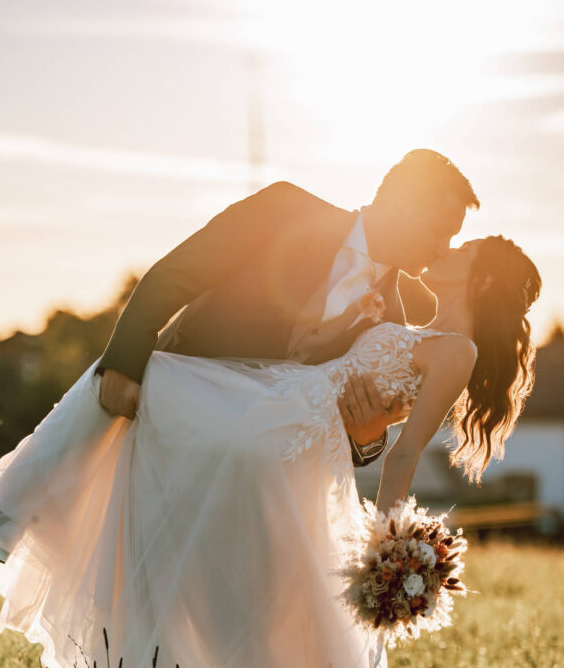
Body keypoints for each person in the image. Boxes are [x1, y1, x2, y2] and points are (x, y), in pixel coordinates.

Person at [0, 226, 541, 668]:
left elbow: (402, 452)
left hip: (286, 436)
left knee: (154, 378)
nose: (446, 252)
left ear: (481, 283)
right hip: (273, 397)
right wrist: (353, 330)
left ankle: (7, 507)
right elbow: (322, 365)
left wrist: (385, 541)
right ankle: (21, 512)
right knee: (142, 384)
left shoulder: (456, 351)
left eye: (463, 253)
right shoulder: (404, 320)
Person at [95, 149, 479, 467]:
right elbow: (179, 273)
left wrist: (367, 439)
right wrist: (123, 364)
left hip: (246, 475)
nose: (443, 248)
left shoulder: (391, 324)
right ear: (401, 205)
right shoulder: (286, 210)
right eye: (440, 230)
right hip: (168, 411)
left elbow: (333, 436)